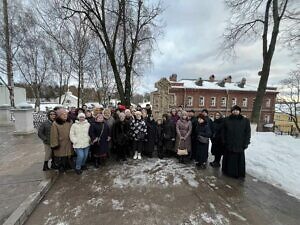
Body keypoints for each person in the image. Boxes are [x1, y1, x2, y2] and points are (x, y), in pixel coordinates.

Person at [222, 105, 251, 179]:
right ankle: (228, 172)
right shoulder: (226, 120)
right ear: (231, 111)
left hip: (239, 144)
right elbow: (223, 132)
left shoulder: (245, 121)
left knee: (239, 160)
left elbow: (247, 133)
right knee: (229, 159)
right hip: (229, 143)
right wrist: (224, 141)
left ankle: (239, 174)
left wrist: (246, 143)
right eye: (234, 110)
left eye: (237, 110)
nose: (235, 111)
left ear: (239, 111)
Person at [50, 108, 74, 173]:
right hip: (61, 142)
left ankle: (68, 166)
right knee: (61, 156)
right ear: (59, 115)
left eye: (66, 114)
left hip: (69, 141)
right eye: (63, 114)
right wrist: (55, 144)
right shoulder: (55, 123)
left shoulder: (70, 122)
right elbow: (54, 135)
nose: (65, 116)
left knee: (68, 154)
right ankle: (61, 167)